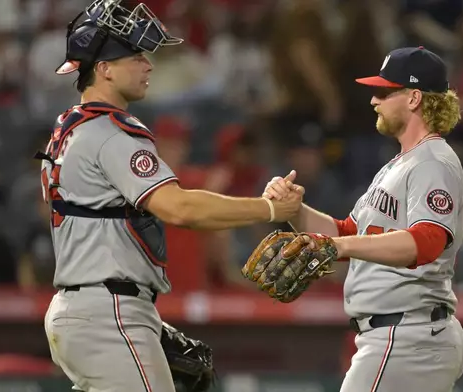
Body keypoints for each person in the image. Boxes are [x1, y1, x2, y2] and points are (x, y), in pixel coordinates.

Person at [39, 1, 301, 391]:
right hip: (107, 311)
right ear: (104, 69)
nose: (148, 65)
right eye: (135, 56)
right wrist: (268, 208)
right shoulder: (111, 134)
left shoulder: (71, 129)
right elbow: (178, 207)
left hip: (90, 307)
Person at [263, 47, 463, 392]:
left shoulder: (432, 161)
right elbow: (349, 233)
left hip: (406, 336)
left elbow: (427, 241)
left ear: (415, 98)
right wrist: (295, 210)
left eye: (385, 91)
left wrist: (336, 245)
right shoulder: (401, 164)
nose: (374, 100)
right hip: (401, 335)